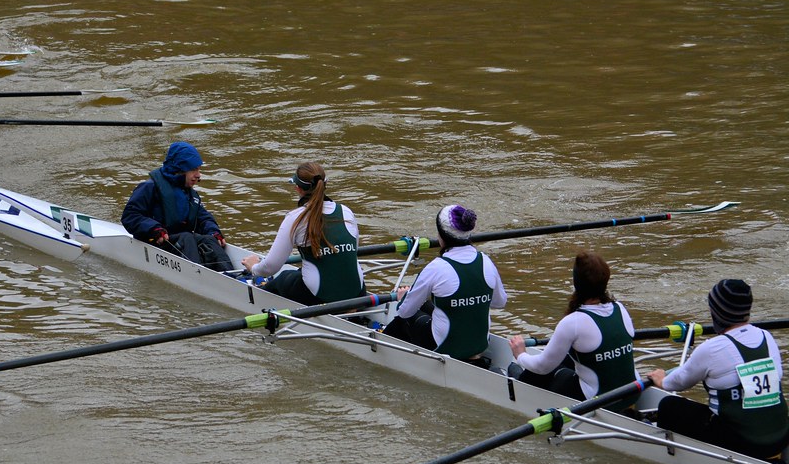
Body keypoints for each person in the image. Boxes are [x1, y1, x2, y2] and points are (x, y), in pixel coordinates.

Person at [646, 280, 789, 463]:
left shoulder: (712, 348)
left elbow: (679, 382)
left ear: (716, 312)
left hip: (744, 443)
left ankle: (673, 457)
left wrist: (661, 380)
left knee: (668, 405)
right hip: (781, 436)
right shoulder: (766, 337)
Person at [508, 251, 639, 412]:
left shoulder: (572, 322)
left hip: (597, 401)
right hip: (633, 394)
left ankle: (518, 382)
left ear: (576, 284)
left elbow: (543, 367)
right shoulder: (620, 308)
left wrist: (520, 355)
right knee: (569, 359)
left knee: (553, 372)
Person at [383, 204, 507, 367]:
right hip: (480, 346)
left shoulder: (437, 267)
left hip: (442, 347)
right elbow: (500, 302)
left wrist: (403, 297)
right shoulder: (486, 261)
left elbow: (405, 312)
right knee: (430, 305)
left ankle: (379, 348)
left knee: (402, 319)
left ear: (441, 236)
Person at [240, 162, 364, 305]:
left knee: (285, 277)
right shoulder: (346, 212)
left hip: (317, 296)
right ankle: (351, 308)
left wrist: (254, 268)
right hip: (358, 292)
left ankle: (259, 293)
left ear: (298, 188)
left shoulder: (295, 218)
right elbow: (351, 253)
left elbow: (270, 267)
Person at [121, 141, 233, 271]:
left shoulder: (190, 194)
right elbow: (130, 215)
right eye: (193, 170)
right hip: (157, 241)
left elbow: (203, 218)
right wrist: (154, 228)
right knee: (187, 237)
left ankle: (229, 274)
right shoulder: (150, 187)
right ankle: (198, 275)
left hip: (181, 244)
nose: (198, 175)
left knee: (208, 239)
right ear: (179, 170)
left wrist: (214, 232)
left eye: (199, 169)